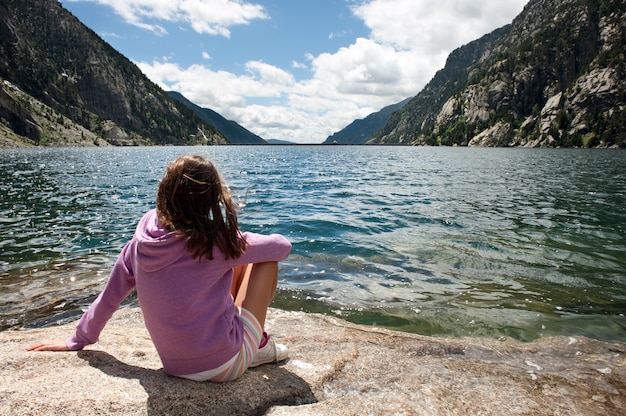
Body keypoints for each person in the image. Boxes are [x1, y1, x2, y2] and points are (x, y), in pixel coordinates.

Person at [27, 154, 292, 382]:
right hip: (225, 366)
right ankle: (256, 346)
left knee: (233, 263)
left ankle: (237, 333)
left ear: (165, 192)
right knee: (263, 261)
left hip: (174, 367)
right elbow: (281, 246)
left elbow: (110, 296)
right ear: (210, 200)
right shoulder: (215, 240)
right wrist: (235, 238)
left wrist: (78, 339)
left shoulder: (142, 241)